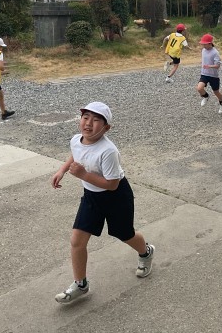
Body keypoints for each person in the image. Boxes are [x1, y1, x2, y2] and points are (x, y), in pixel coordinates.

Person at [51, 101, 155, 304]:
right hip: (91, 196)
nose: (88, 123)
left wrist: (83, 175)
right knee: (77, 241)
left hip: (116, 197)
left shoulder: (108, 151)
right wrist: (62, 170)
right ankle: (81, 284)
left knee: (125, 234)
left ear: (106, 128)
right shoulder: (76, 140)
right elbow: (76, 153)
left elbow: (112, 185)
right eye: (85, 117)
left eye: (96, 120)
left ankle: (146, 252)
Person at [197, 33, 222, 114]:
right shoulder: (203, 50)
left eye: (205, 44)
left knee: (216, 92)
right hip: (204, 74)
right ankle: (206, 96)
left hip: (213, 76)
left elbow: (217, 66)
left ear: (210, 43)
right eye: (202, 44)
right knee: (199, 88)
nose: (203, 46)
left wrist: (209, 66)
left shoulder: (215, 52)